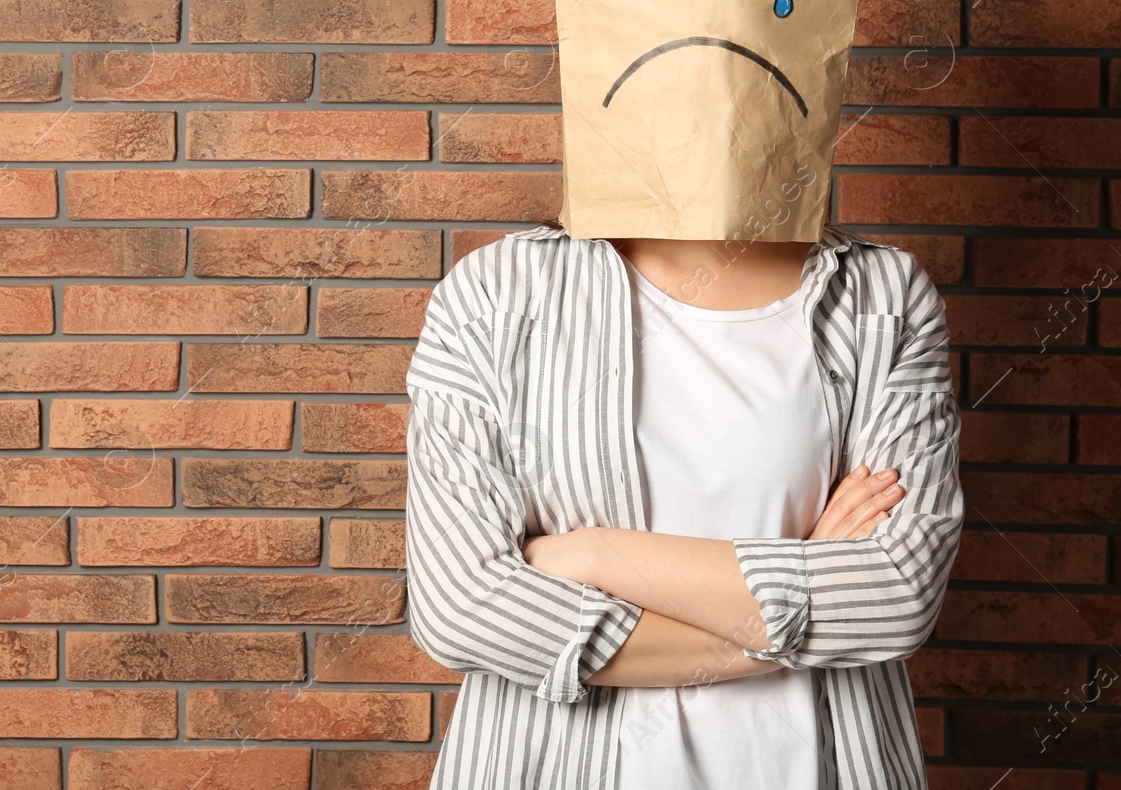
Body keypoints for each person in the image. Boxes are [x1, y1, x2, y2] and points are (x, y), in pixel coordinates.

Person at [403, 216, 962, 789]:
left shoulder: (882, 293)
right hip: (551, 766)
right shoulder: (497, 291)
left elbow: (897, 593)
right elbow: (462, 609)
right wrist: (809, 590)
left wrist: (598, 555)